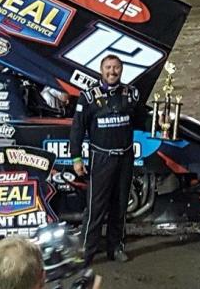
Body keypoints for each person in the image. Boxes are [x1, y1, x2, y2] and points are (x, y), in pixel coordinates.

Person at [69, 54, 143, 266]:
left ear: (122, 70)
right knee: (95, 208)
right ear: (101, 70)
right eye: (108, 68)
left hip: (125, 158)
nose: (112, 72)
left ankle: (116, 247)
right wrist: (76, 158)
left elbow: (140, 121)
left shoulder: (131, 94)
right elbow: (76, 130)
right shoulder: (88, 97)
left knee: (120, 207)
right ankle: (86, 252)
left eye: (116, 68)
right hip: (101, 158)